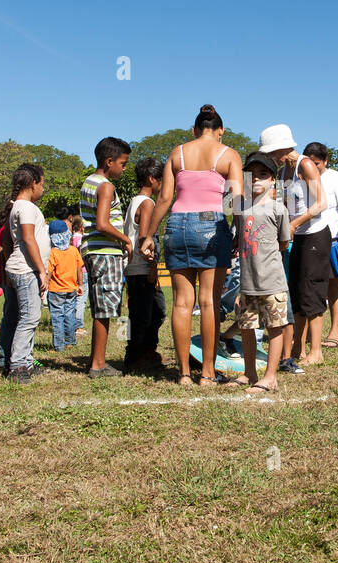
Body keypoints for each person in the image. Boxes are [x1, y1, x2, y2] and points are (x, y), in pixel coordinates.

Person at [140, 107, 241, 386]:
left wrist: (149, 236)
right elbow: (239, 200)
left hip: (177, 226)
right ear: (220, 130)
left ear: (195, 130)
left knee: (182, 303)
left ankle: (184, 373)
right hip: (212, 225)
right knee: (209, 301)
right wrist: (240, 233)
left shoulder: (177, 153)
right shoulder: (229, 154)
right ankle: (207, 373)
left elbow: (164, 199)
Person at [259, 124, 327, 371]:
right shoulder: (285, 171)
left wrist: (294, 224)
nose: (270, 157)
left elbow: (322, 203)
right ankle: (297, 347)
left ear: (282, 147)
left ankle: (316, 350)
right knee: (296, 291)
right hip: (297, 237)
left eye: (271, 152)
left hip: (315, 236)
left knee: (312, 290)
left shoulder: (306, 165)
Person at [231, 151, 290, 394]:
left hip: (273, 283)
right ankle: (249, 372)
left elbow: (284, 242)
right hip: (247, 283)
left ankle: (270, 376)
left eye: (263, 175)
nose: (256, 180)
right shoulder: (240, 209)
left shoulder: (279, 209)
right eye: (252, 175)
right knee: (246, 327)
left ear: (273, 180)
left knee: (275, 327)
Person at [82, 138, 132, 377]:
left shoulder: (88, 183)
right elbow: (102, 223)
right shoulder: (106, 186)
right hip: (105, 252)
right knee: (105, 311)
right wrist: (126, 239)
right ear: (109, 161)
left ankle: (96, 359)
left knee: (100, 308)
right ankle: (98, 364)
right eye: (122, 164)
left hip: (93, 251)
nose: (124, 169)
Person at [0, 164, 47, 383]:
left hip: (18, 268)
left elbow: (7, 239)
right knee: (29, 318)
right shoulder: (25, 207)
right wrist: (42, 270)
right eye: (42, 184)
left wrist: (9, 263)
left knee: (18, 316)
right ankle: (17, 366)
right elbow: (28, 238)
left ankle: (22, 360)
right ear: (33, 183)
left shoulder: (15, 206)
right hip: (26, 270)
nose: (43, 190)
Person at [304, 142, 338, 348]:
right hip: (308, 239)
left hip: (333, 239)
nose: (313, 166)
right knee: (308, 286)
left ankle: (335, 332)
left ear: (325, 161)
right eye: (309, 162)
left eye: (317, 163)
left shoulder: (337, 178)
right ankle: (307, 332)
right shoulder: (301, 179)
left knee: (334, 284)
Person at [124, 157, 166, 371]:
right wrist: (152, 269)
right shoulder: (148, 203)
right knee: (146, 315)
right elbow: (144, 238)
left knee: (145, 312)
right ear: (152, 179)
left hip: (133, 269)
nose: (164, 185)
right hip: (142, 269)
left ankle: (143, 351)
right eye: (161, 180)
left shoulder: (134, 201)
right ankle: (136, 355)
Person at [45, 219, 82, 352]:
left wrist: (44, 284)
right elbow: (79, 268)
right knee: (69, 315)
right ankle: (70, 341)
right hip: (71, 289)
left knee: (57, 317)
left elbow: (49, 272)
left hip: (56, 291)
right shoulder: (73, 250)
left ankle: (59, 345)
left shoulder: (53, 253)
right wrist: (80, 285)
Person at [67, 212, 89, 337]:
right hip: (82, 271)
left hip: (71, 272)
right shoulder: (81, 239)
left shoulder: (70, 239)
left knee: (72, 299)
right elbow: (81, 255)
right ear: (81, 227)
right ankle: (78, 326)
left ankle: (70, 324)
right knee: (81, 300)